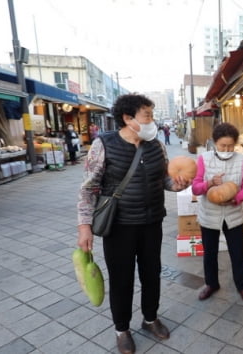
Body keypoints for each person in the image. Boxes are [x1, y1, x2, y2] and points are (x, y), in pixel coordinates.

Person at [76, 94, 189, 354]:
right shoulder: (104, 144)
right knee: (121, 279)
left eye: (151, 115)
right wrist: (84, 226)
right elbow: (88, 188)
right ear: (128, 118)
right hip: (119, 225)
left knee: (152, 273)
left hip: (152, 222)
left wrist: (179, 184)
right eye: (147, 115)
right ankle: (121, 329)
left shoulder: (156, 146)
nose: (153, 120)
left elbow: (164, 181)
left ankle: (150, 319)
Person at [191, 122, 243, 303]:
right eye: (222, 145)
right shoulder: (204, 159)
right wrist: (209, 183)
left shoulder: (241, 160)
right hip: (209, 215)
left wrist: (236, 199)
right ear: (214, 143)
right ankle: (211, 284)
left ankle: (242, 286)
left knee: (237, 253)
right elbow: (196, 188)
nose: (226, 149)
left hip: (233, 215)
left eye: (230, 146)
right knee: (210, 252)